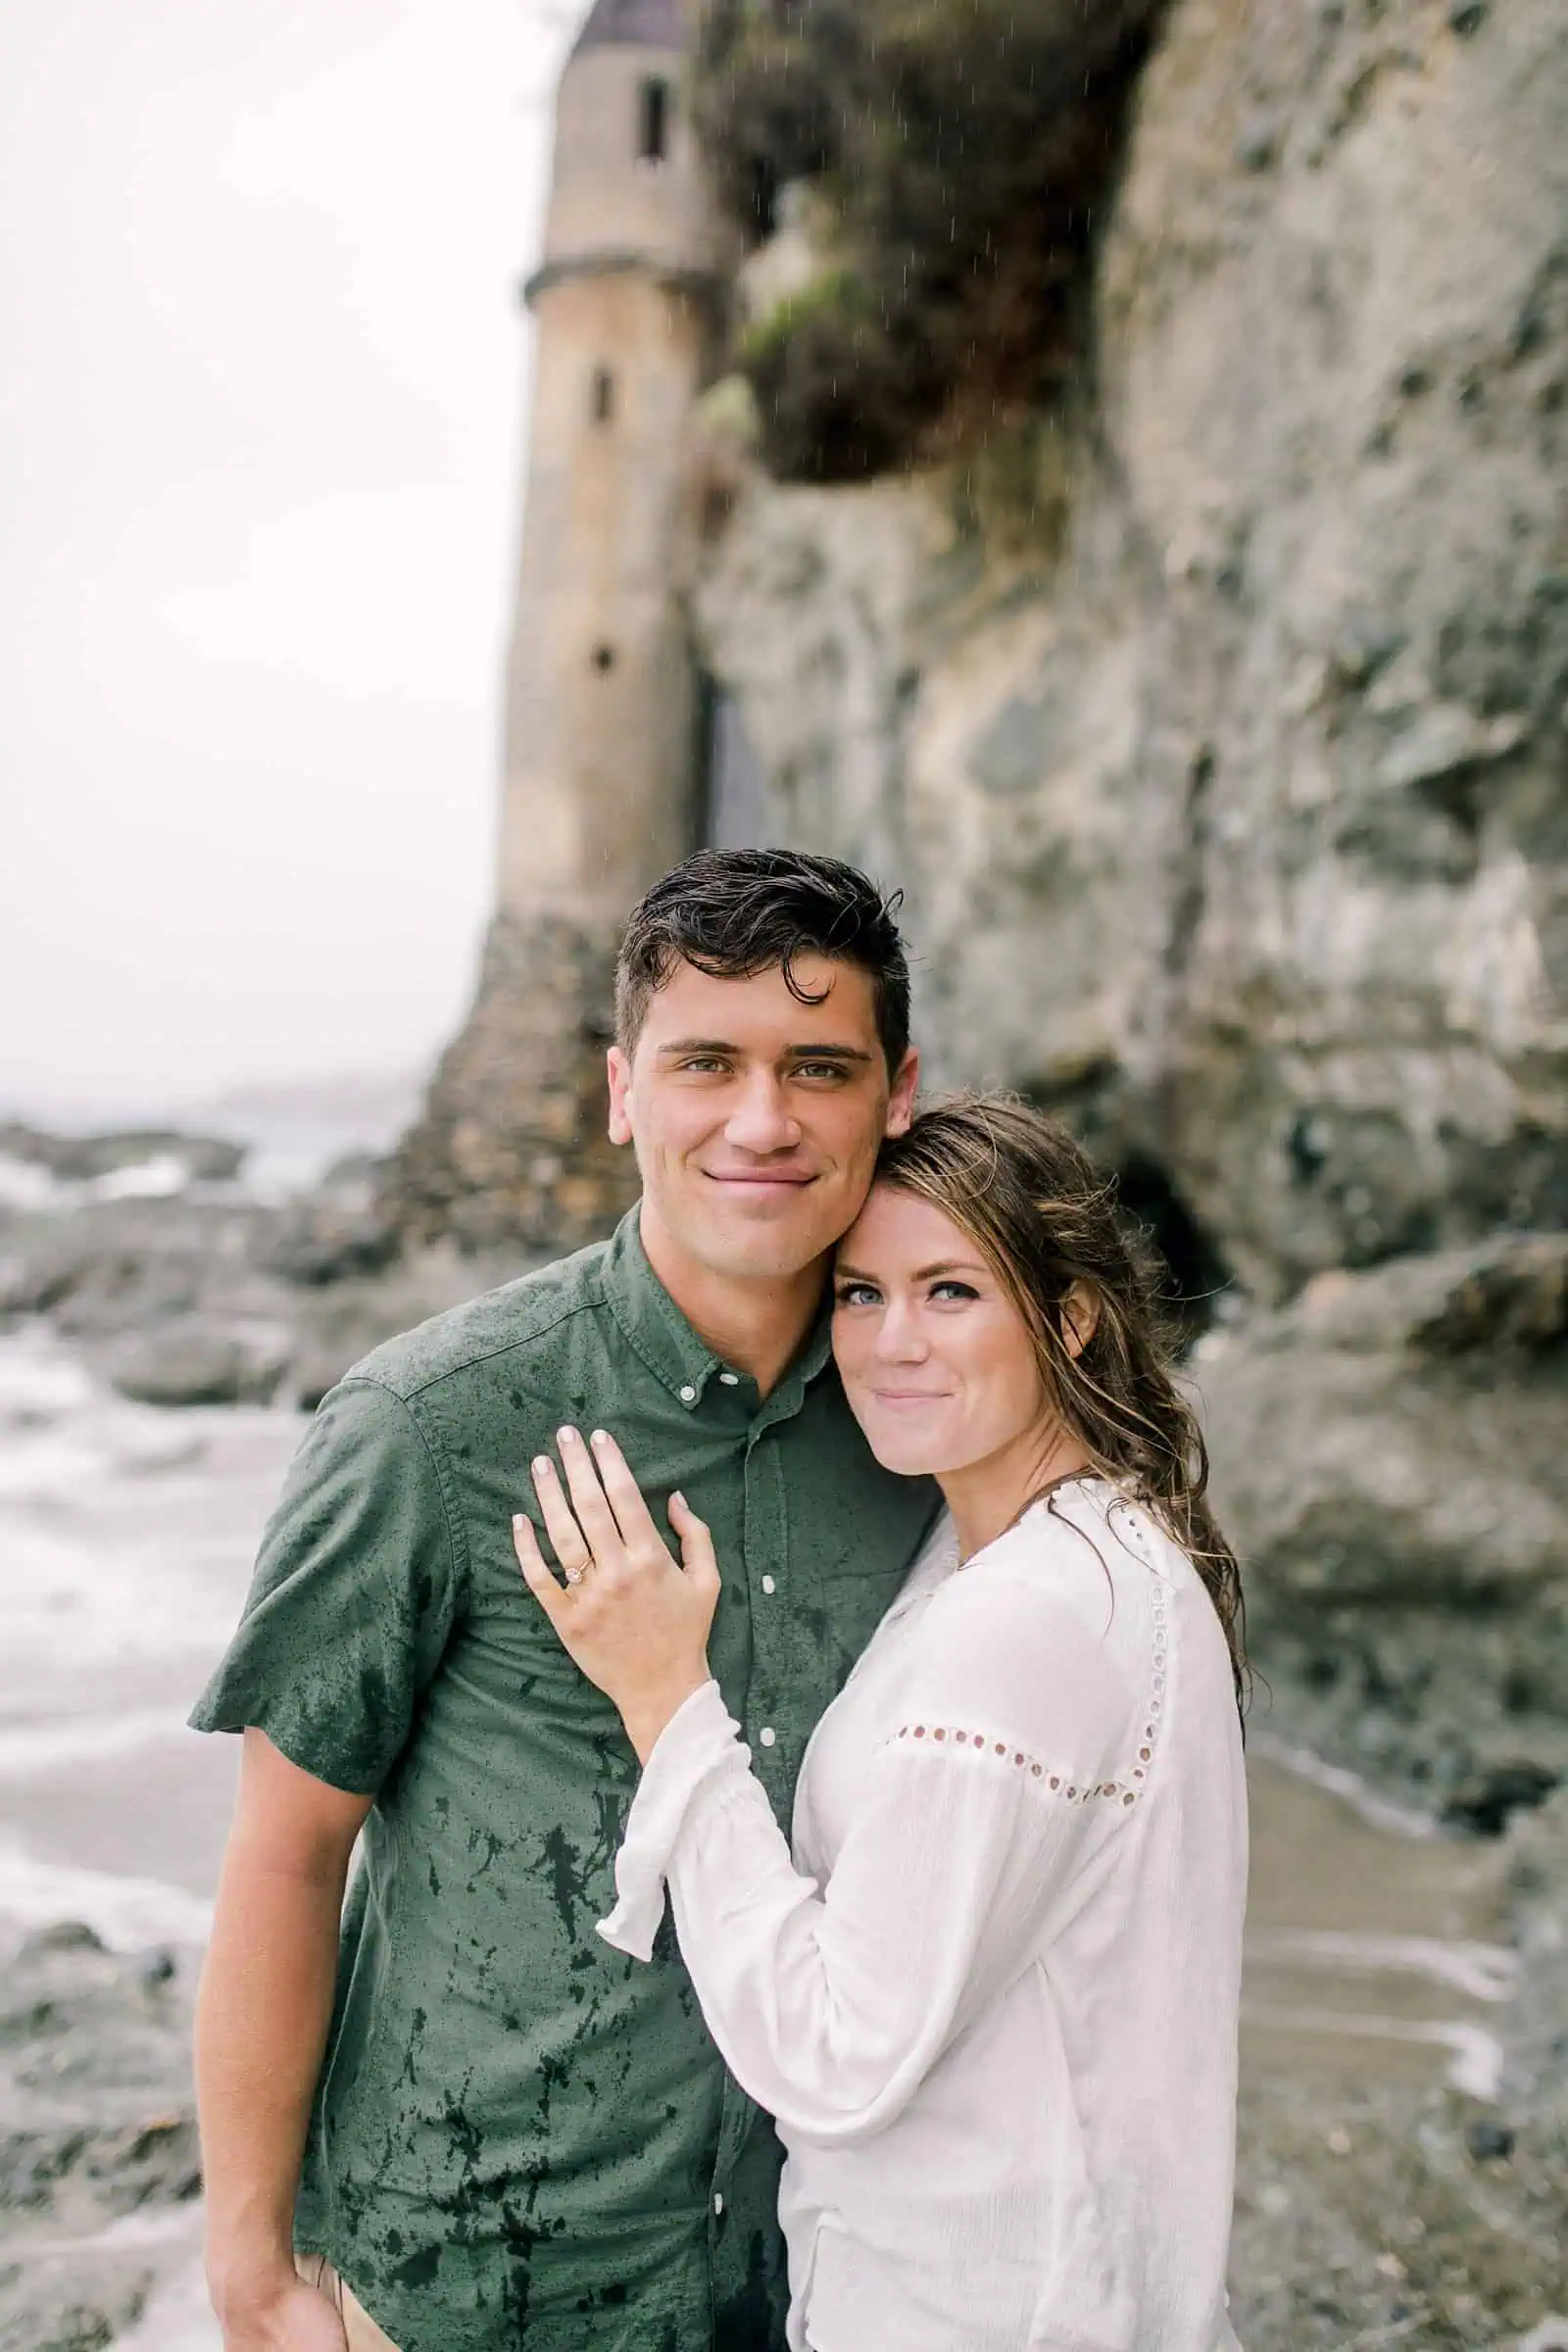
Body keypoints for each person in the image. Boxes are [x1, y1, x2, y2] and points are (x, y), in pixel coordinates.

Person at [189, 850, 944, 2352]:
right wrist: (252, 2270)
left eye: (818, 1068)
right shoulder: (429, 1424)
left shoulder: (931, 1429)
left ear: (896, 1093)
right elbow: (287, 1855)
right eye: (705, 1064)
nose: (761, 1120)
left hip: (819, 2293)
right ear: (621, 1091)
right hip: (465, 2291)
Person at [514, 1095, 1250, 2352]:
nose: (890, 1342)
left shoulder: (1027, 1617)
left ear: (1066, 1318)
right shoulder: (1058, 1547)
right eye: (858, 1294)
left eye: (949, 1292)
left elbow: (838, 2054)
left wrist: (663, 1695)